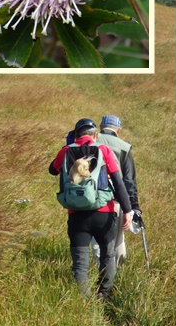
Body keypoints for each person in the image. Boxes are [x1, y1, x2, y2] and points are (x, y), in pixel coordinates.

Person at [49, 118, 132, 299]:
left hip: (77, 215)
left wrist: (69, 145)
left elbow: (52, 170)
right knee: (108, 255)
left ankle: (85, 299)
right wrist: (128, 210)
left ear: (75, 134)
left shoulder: (66, 151)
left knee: (80, 262)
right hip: (104, 212)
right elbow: (118, 182)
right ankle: (103, 294)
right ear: (95, 135)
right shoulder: (103, 149)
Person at [93, 114, 142, 267]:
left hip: (92, 197)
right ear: (118, 130)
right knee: (118, 240)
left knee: (96, 241)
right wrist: (134, 206)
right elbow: (129, 181)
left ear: (100, 128)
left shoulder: (92, 140)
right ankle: (117, 273)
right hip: (116, 199)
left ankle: (99, 275)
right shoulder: (124, 147)